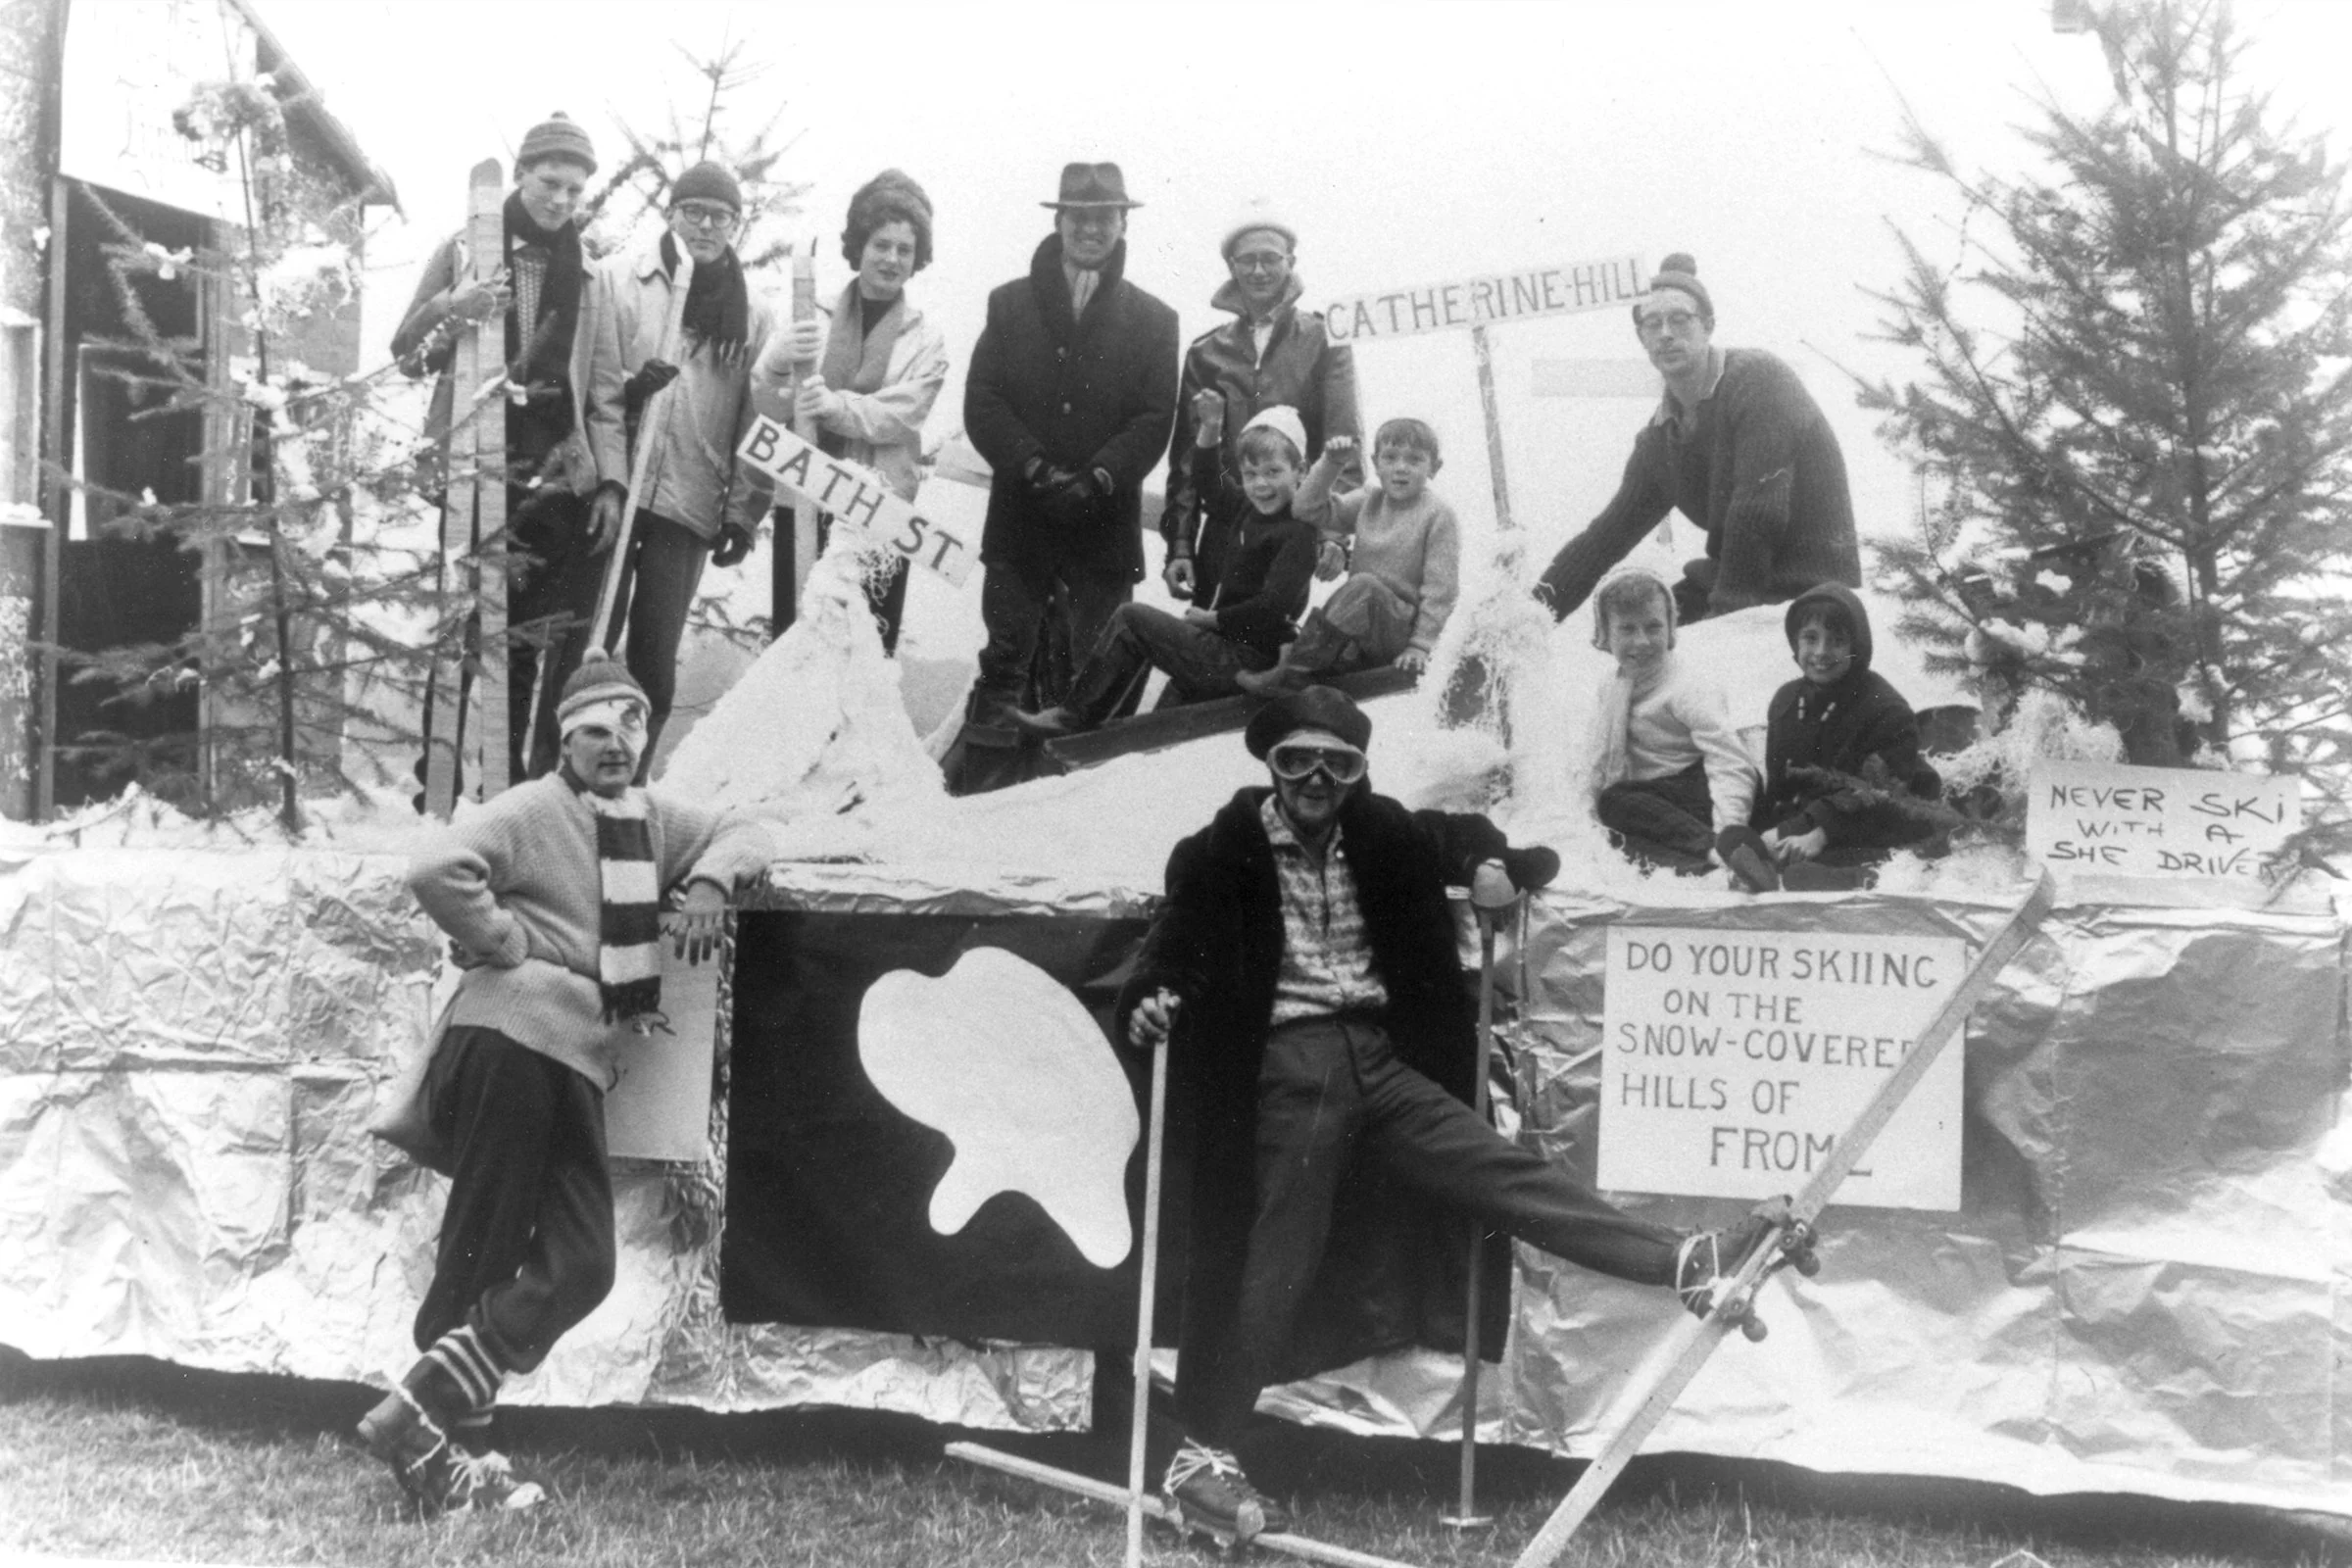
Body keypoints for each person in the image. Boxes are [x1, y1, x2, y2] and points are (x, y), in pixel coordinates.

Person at [1117, 685, 1791, 1545]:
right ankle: (1202, 1453)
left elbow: (1472, 837)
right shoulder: (1221, 851)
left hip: (1382, 1060)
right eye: (1298, 761)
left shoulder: (1383, 828)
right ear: (1271, 767)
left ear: (1359, 773)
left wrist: (1493, 864)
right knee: (1279, 1249)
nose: (1317, 780)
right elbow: (1172, 947)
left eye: (1339, 763)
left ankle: (1683, 1264)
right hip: (1292, 1059)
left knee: (1494, 1171)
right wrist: (1149, 1002)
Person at [357, 650, 773, 1514]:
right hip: (511, 1041)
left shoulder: (649, 821)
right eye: (594, 731)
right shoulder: (534, 808)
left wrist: (704, 882)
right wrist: (507, 944)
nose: (614, 744)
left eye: (630, 727)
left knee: (581, 1261)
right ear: (565, 741)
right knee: (483, 1242)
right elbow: (436, 867)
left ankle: (422, 1410)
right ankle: (448, 1459)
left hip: (564, 1054)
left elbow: (748, 831)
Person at [390, 113, 606, 783]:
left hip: (550, 472)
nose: (561, 200)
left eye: (575, 190)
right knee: (462, 627)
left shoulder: (588, 272)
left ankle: (506, 776)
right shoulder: (465, 249)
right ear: (519, 175)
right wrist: (458, 305)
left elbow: (593, 377)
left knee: (522, 637)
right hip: (470, 463)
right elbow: (408, 355)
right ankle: (442, 777)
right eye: (550, 183)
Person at [958, 161, 1180, 744]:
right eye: (1079, 216)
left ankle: (1092, 799)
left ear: (1122, 226)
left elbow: (1156, 418)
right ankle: (983, 786)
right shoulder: (1007, 305)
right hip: (1020, 520)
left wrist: (1100, 476)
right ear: (1059, 220)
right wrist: (1032, 466)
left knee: (1100, 674)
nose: (1091, 229)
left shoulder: (1157, 321)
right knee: (1004, 663)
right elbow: (983, 401)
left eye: (1104, 217)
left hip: (1102, 526)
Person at [578, 161, 777, 772]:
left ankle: (628, 791)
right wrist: (610, 471)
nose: (706, 227)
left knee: (654, 662)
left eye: (721, 217)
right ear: (671, 213)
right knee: (588, 648)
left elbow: (757, 420)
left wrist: (744, 512)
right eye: (693, 211)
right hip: (617, 492)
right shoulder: (619, 281)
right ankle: (563, 787)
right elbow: (597, 391)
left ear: (735, 226)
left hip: (690, 501)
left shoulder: (753, 315)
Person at [1534, 254, 1860, 627]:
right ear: (1641, 338)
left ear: (1708, 326)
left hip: (1810, 589)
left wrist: (1726, 622)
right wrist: (1534, 614)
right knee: (1634, 632)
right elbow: (1605, 538)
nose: (1666, 333)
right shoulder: (1660, 438)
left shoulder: (1757, 380)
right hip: (1733, 579)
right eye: (1652, 323)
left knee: (1674, 649)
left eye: (1679, 319)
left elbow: (1757, 510)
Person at [1006, 406, 1318, 735]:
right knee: (1160, 725)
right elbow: (1208, 484)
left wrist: (1211, 619)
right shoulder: (1247, 507)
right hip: (1226, 649)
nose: (1261, 485)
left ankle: (1071, 717)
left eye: (1273, 472)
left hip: (1251, 660)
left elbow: (1272, 607)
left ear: (1301, 471)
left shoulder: (1299, 533)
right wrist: (1209, 430)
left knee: (1131, 619)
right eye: (1250, 475)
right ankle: (1093, 730)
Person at [760, 169, 948, 654]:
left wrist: (835, 407)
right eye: (881, 244)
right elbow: (765, 403)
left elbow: (900, 416)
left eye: (905, 250)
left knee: (863, 655)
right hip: (803, 496)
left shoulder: (926, 339)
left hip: (879, 513)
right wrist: (777, 364)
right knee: (792, 645)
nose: (891, 259)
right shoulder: (810, 315)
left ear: (917, 258)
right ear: (859, 246)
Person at [1159, 205, 1359, 610]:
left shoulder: (1325, 338)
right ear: (1232, 267)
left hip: (1291, 528)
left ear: (1290, 263)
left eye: (1270, 259)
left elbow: (1344, 441)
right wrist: (1180, 545)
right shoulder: (1205, 352)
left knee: (1263, 640)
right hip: (1222, 526)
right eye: (1247, 261)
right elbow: (1185, 459)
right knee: (1205, 649)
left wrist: (1335, 533)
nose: (1259, 271)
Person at [1721, 581, 1943, 893]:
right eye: (1810, 638)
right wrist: (1779, 830)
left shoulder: (1886, 709)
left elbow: (1879, 794)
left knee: (1867, 851)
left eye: (1837, 641)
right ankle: (1770, 867)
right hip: (1816, 815)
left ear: (1856, 647)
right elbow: (1783, 789)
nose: (1821, 652)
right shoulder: (1786, 701)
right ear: (1795, 641)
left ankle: (1850, 874)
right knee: (1734, 837)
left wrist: (1816, 835)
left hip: (1881, 813)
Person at [1236, 417, 1458, 695]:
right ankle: (1300, 667)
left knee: (1363, 585)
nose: (1400, 468)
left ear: (1434, 468)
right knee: (1357, 590)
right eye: (1390, 458)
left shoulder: (1438, 514)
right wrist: (1331, 463)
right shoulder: (1370, 499)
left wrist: (1420, 646)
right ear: (1376, 464)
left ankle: (1290, 672)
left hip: (1399, 629)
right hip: (1361, 623)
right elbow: (1305, 510)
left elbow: (1441, 590)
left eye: (1414, 460)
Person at [1581, 569, 1764, 883]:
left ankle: (1724, 852)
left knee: (1615, 800)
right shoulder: (1611, 686)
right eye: (1627, 629)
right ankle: (1712, 872)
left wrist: (1729, 831)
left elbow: (1729, 761)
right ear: (1605, 634)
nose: (1641, 641)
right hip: (1663, 806)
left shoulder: (1687, 685)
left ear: (1671, 628)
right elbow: (1596, 759)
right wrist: (1585, 821)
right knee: (1613, 838)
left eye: (1653, 627)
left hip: (1708, 788)